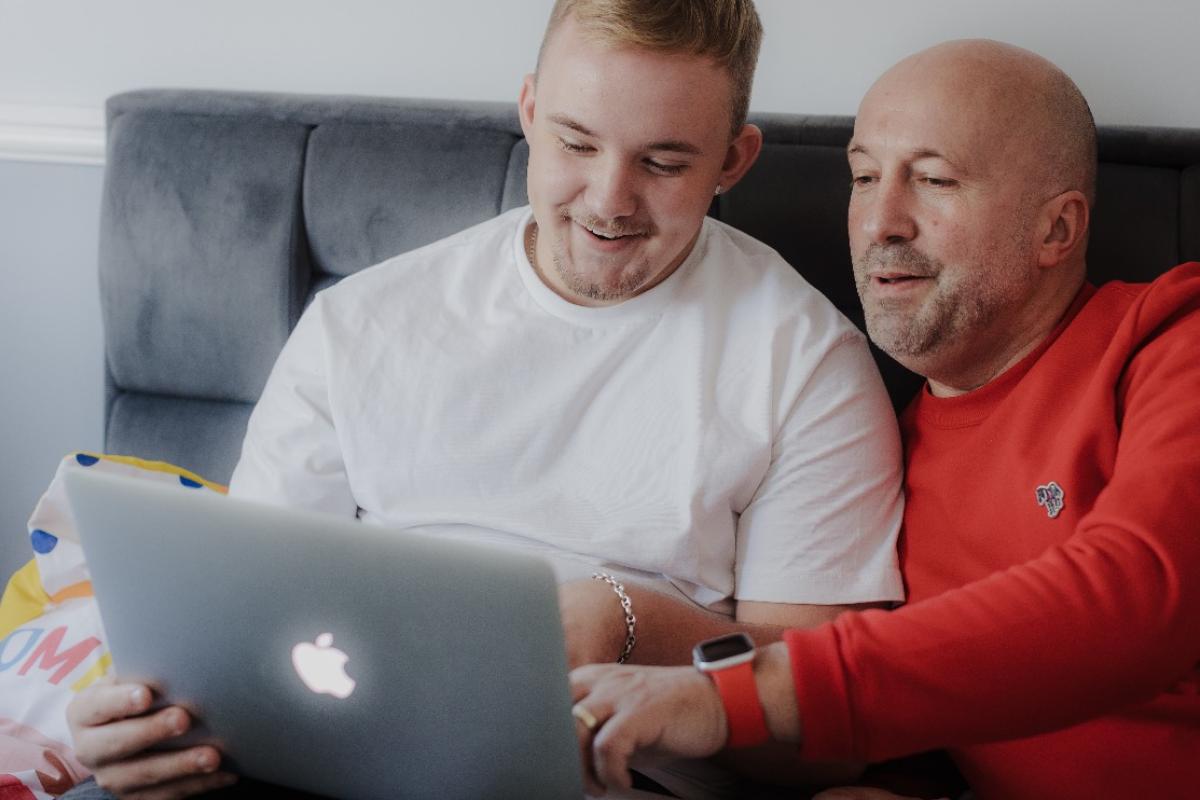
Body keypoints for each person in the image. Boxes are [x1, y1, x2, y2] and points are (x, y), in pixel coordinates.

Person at [62, 2, 906, 798]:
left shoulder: (807, 365)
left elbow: (819, 737)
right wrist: (153, 724)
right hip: (322, 757)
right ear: (531, 112)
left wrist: (629, 622)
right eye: (577, 143)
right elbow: (242, 613)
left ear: (733, 160)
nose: (610, 200)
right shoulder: (363, 322)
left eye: (662, 162)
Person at [569, 38, 1200, 800]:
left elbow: (1140, 599)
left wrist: (735, 694)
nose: (881, 222)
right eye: (865, 177)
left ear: (1057, 230)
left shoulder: (1171, 337)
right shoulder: (881, 449)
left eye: (933, 180)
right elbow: (941, 699)